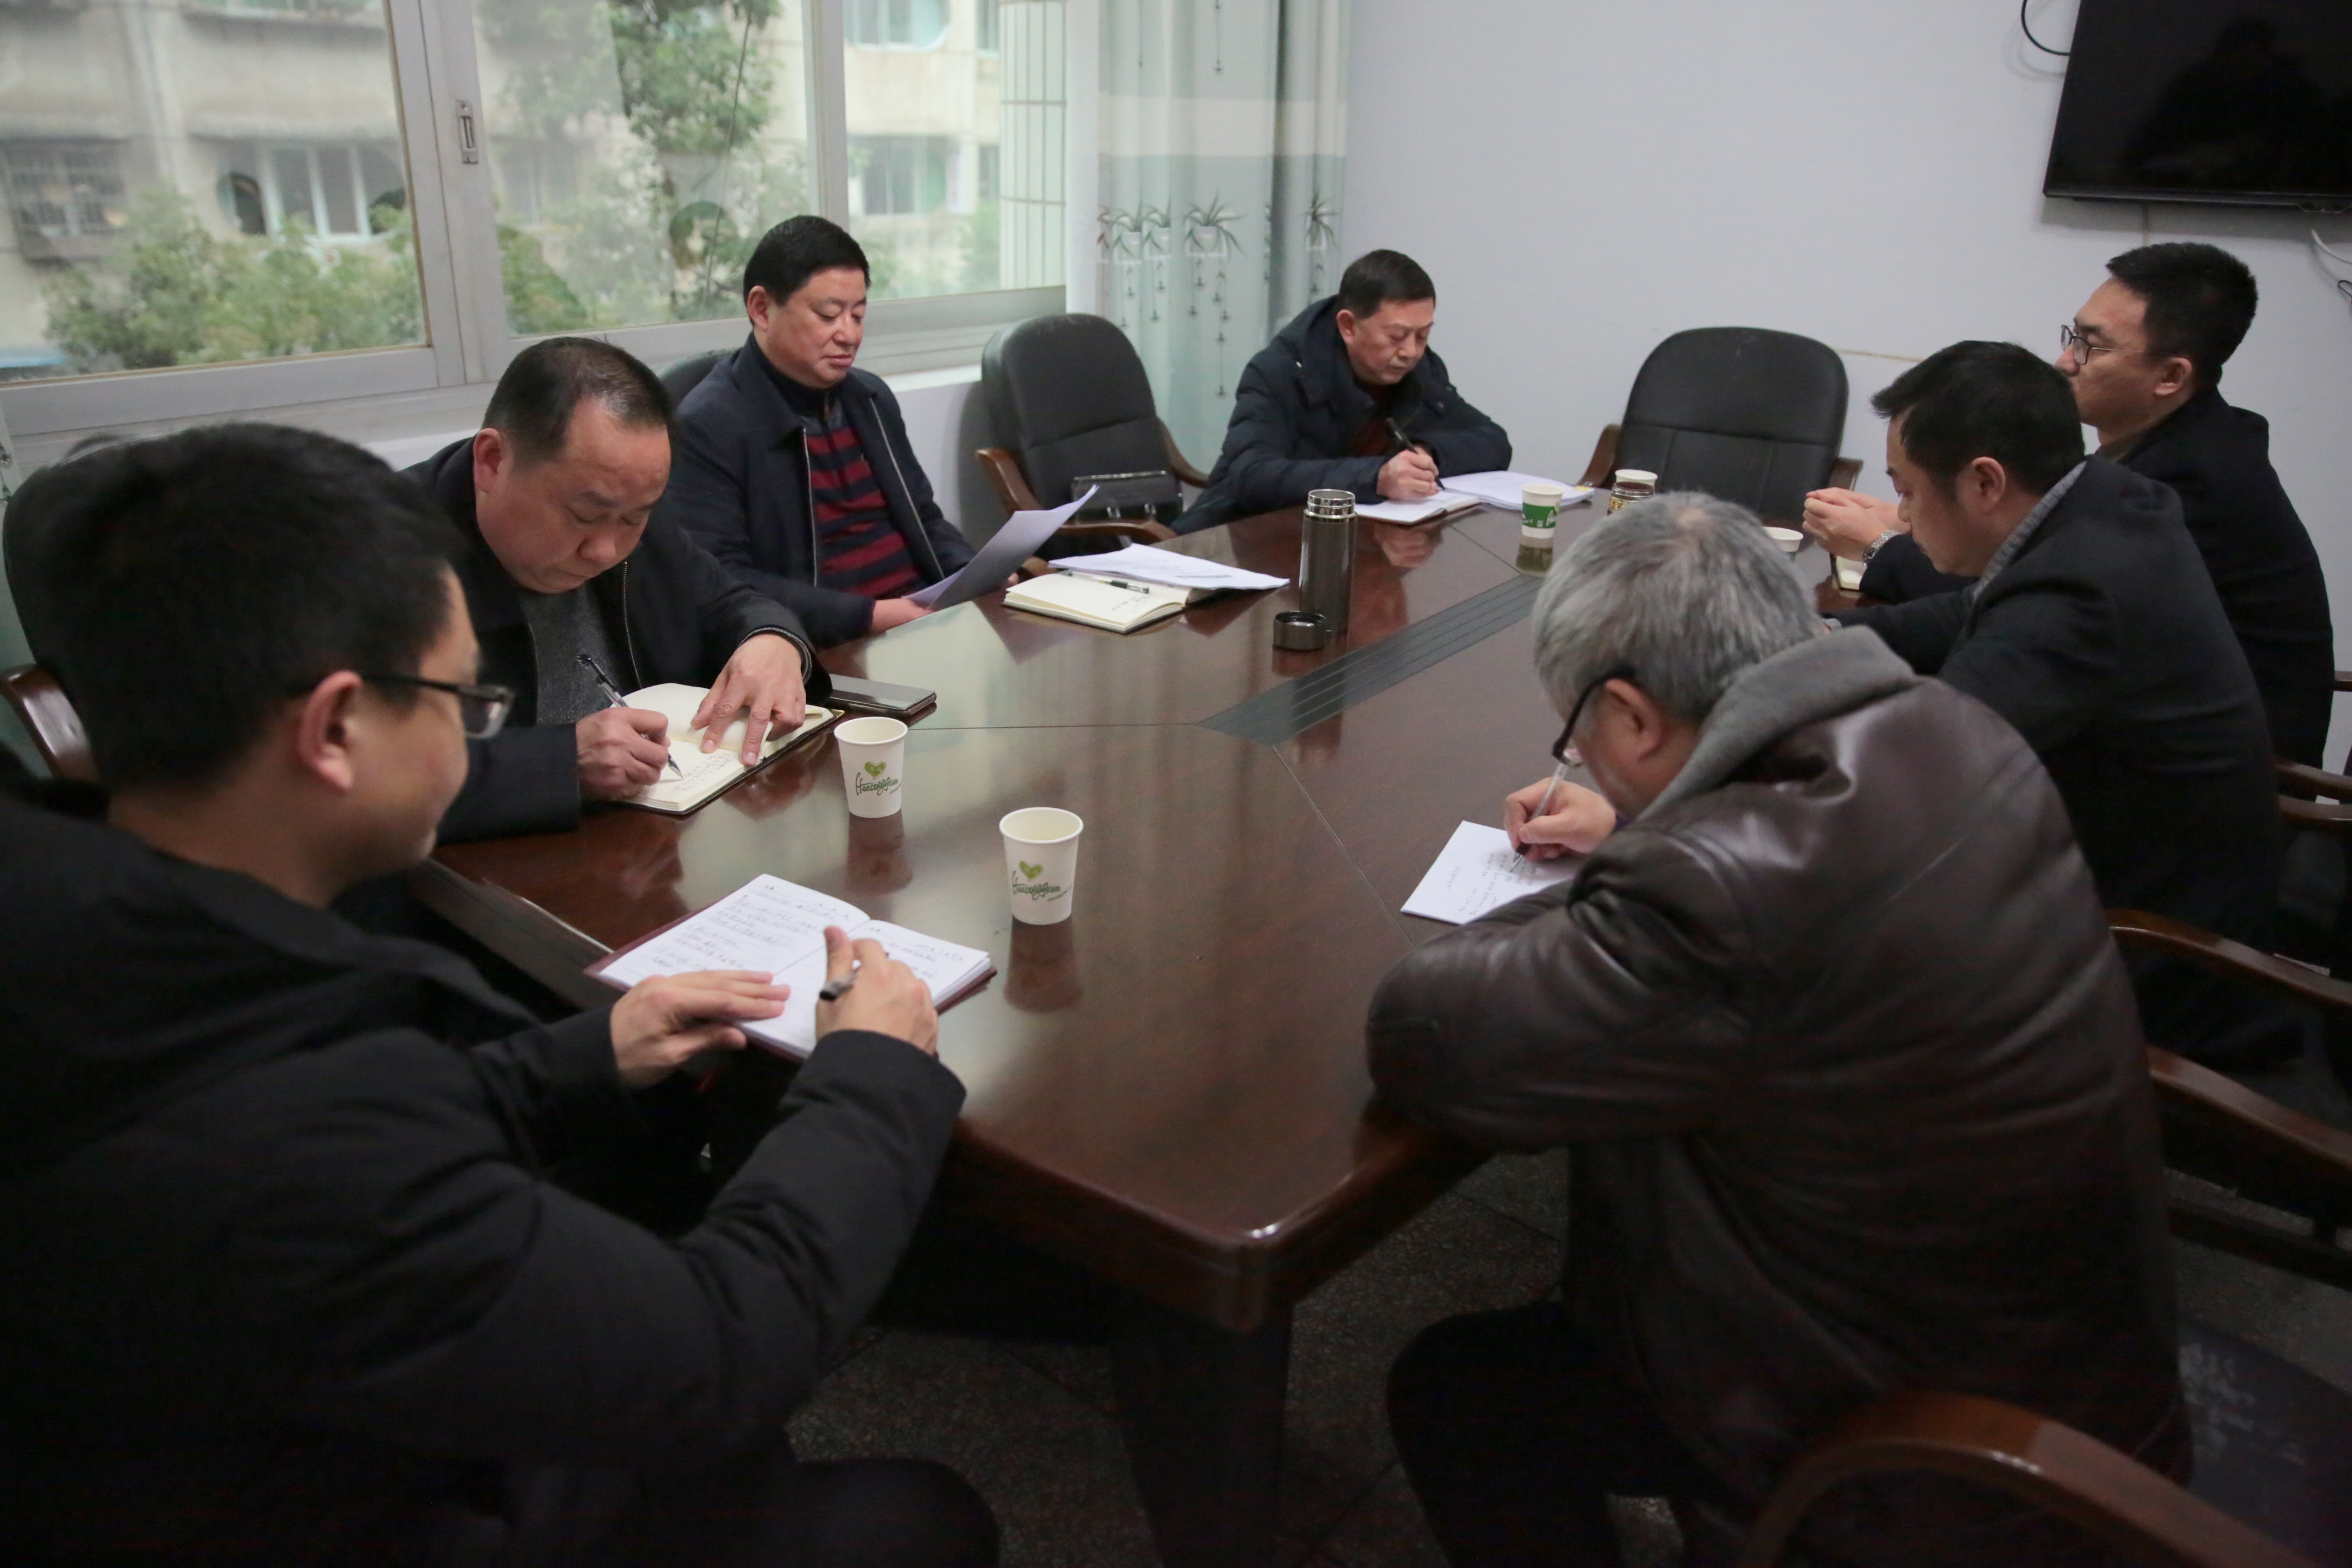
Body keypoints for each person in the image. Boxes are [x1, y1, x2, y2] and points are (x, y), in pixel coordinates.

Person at [0, 423, 996, 1568]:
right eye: (464, 701)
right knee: (923, 1520)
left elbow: (319, 1123)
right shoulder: (290, 1141)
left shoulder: (91, 937)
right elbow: (713, 1360)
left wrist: (575, 1057)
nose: (474, 730)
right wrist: (869, 1073)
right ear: (336, 730)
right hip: (357, 1506)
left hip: (276, 1428)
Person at [1374, 495, 2186, 1568]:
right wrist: (1649, 834)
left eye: (1578, 738)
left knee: (1462, 1393)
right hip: (2080, 1377)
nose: (1584, 763)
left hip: (1929, 1469)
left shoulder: (1717, 893)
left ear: (1632, 716)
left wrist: (1642, 861)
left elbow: (1428, 1035)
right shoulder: (1955, 724)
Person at [1830, 341, 2285, 1066]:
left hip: (2138, 962)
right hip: (2127, 888)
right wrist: (1810, 640)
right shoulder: (2103, 500)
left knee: (1808, 954)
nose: (1903, 516)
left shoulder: (2079, 593)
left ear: (1985, 482)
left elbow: (1920, 767)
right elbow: (1966, 615)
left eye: (1908, 491)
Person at [1806, 243, 2333, 764]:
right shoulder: (2126, 476)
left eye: (2091, 346)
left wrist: (1879, 547)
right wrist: (1820, 637)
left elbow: (1936, 751)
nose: (2064, 361)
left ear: (2171, 377)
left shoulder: (2182, 490)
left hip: (2240, 774)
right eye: (2073, 336)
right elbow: (1981, 604)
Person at [407, 336, 823, 843]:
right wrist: (559, 763)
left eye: (633, 518)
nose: (605, 551)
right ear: (492, 461)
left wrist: (773, 640)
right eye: (585, 516)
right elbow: (363, 776)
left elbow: (726, 602)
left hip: (654, 843)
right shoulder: (383, 556)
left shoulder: (627, 502)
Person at [659, 215, 978, 648]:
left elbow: (924, 518)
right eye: (828, 315)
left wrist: (974, 574)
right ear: (761, 309)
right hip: (823, 646)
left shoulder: (870, 399)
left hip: (921, 623)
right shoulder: (709, 424)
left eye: (858, 315)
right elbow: (722, 581)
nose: (849, 335)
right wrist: (871, 616)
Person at [1176, 249, 1511, 533]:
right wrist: (1376, 478)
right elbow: (1253, 476)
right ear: (1349, 326)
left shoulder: (1420, 370)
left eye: (1423, 335)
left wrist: (1427, 454)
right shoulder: (1280, 370)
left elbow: (1493, 441)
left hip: (1352, 539)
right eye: (1397, 337)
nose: (1411, 352)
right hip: (1246, 538)